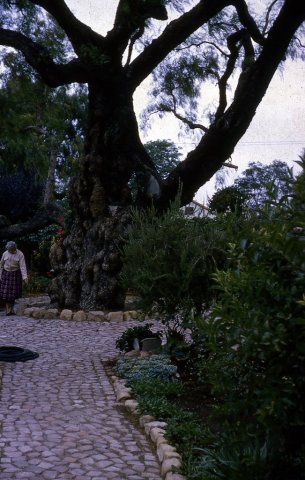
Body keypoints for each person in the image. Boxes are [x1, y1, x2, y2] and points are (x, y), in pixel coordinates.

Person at [0, 241, 28, 315]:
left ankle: (11, 309)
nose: (11, 251)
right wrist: (0, 275)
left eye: (12, 250)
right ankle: (8, 310)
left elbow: (22, 266)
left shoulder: (20, 254)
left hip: (15, 274)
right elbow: (1, 265)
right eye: (10, 250)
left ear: (15, 248)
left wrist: (25, 277)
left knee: (13, 294)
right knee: (6, 294)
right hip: (6, 274)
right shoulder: (5, 254)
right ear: (8, 249)